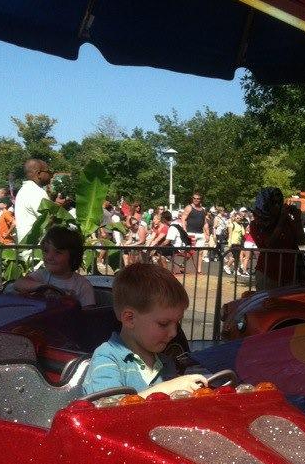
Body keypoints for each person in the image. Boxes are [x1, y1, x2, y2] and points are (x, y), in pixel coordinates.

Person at [81, 262, 206, 398]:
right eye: (164, 323)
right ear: (130, 319)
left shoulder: (166, 362)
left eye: (177, 323)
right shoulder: (107, 358)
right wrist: (166, 388)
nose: (174, 333)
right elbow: (108, 407)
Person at [12, 225, 95, 307]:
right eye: (46, 251)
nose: (49, 257)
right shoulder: (42, 275)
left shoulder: (82, 285)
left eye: (58, 252)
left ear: (73, 256)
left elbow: (88, 312)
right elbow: (18, 284)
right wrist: (43, 287)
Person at [249, 187, 305, 289]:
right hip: (268, 274)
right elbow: (267, 245)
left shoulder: (287, 221)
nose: (278, 206)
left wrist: (297, 219)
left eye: (280, 202)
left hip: (290, 275)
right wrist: (281, 221)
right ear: (265, 204)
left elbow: (301, 242)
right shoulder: (256, 224)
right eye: (274, 203)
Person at [14, 159, 52, 241]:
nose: (51, 175)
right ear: (38, 174)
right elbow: (48, 220)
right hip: (37, 245)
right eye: (48, 172)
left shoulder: (24, 190)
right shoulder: (36, 192)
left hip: (27, 244)